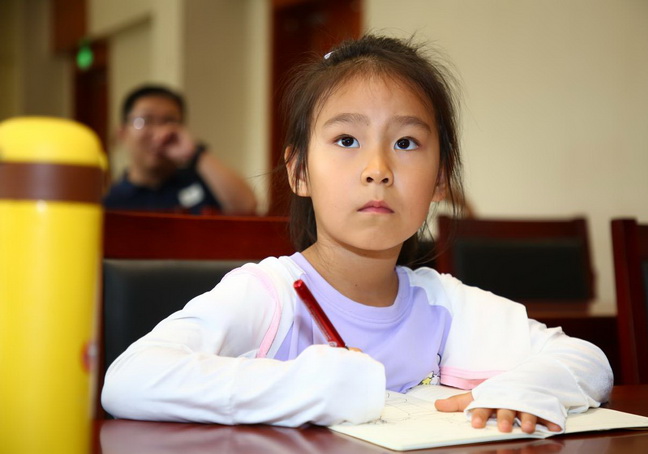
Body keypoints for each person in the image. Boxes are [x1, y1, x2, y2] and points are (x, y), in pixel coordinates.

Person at [102, 35, 612, 432]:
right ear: (299, 172)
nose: (378, 169)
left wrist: (524, 390)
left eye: (406, 143)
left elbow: (587, 360)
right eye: (347, 139)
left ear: (440, 180)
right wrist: (317, 385)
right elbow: (130, 379)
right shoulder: (269, 294)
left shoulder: (443, 304)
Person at [104, 85, 257, 215]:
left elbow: (247, 207)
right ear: (122, 133)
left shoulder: (201, 182)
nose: (160, 133)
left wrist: (194, 153)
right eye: (146, 120)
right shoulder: (110, 201)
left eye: (169, 121)